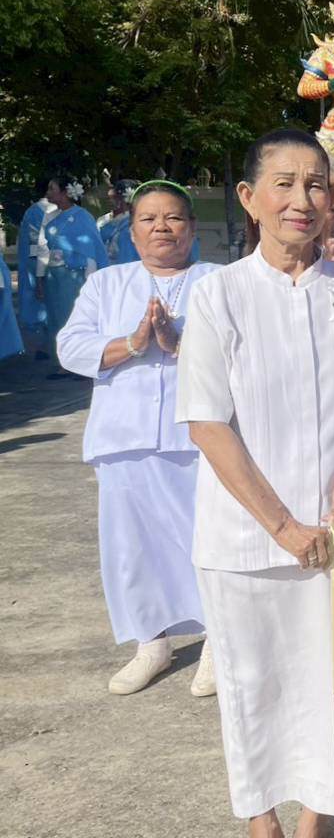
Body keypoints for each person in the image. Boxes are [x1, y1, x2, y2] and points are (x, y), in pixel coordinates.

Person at [177, 128, 334, 838]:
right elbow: (207, 423)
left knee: (328, 684)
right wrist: (282, 525)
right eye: (283, 184)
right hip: (243, 541)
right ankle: (262, 822)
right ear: (250, 199)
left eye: (316, 185)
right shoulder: (218, 297)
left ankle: (314, 818)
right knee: (252, 690)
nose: (301, 200)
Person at [57, 181, 219, 696]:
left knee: (204, 538)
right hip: (123, 437)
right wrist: (132, 344)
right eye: (149, 219)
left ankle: (219, 638)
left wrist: (178, 344)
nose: (162, 228)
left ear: (192, 228)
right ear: (132, 231)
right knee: (133, 547)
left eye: (173, 218)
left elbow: (242, 347)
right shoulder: (106, 284)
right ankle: (151, 642)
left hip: (199, 436)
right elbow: (70, 346)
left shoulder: (217, 281)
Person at [36, 177, 110, 374]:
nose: (48, 192)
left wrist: (91, 279)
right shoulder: (51, 216)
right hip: (54, 276)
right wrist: (40, 278)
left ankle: (79, 364)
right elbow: (43, 249)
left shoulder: (82, 217)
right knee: (55, 319)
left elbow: (90, 249)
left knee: (72, 318)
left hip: (73, 276)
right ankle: (61, 363)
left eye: (52, 188)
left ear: (65, 192)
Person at [17, 186, 53, 352]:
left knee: (40, 300)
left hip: (33, 258)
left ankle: (43, 342)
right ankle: (48, 341)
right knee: (49, 300)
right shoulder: (51, 210)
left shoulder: (31, 211)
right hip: (48, 259)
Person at [97, 180, 139, 263]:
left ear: (121, 200)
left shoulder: (131, 224)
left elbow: (128, 258)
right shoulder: (104, 220)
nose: (108, 201)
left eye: (112, 198)